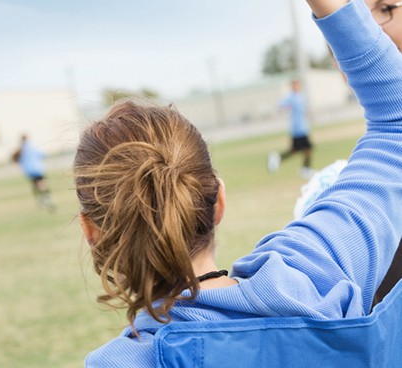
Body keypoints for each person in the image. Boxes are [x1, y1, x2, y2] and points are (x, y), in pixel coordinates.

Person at [74, 0, 402, 365]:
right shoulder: (311, 275)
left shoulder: (125, 362)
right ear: (218, 201)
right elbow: (396, 118)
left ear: (92, 232)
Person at [267, 79, 314, 178]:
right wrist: (286, 107)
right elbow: (280, 105)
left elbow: (304, 110)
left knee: (297, 150)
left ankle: (278, 158)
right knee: (307, 149)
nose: (298, 87)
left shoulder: (301, 96)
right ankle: (305, 169)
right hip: (298, 129)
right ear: (292, 86)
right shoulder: (291, 97)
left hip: (303, 127)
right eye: (296, 85)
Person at [12, 135, 56, 212]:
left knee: (35, 185)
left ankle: (40, 199)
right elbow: (42, 155)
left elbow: (18, 160)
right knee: (42, 185)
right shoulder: (32, 146)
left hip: (28, 172)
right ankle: (46, 199)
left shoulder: (20, 149)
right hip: (37, 169)